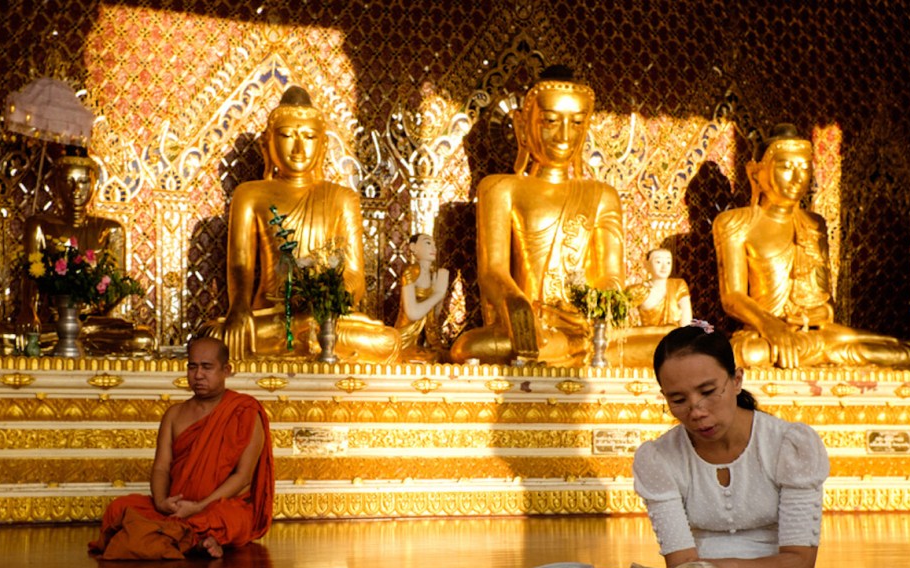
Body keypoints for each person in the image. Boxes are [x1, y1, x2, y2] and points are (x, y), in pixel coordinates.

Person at [582, 324, 887, 568]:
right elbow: (681, 563)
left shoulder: (789, 444)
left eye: (709, 392)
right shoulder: (658, 457)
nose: (696, 411)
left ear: (737, 380)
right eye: (678, 400)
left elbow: (797, 564)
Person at [206, 85, 399, 363]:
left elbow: (355, 274)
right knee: (216, 336)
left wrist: (326, 298)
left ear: (322, 145)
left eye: (309, 137)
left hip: (326, 320)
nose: (298, 148)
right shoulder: (249, 194)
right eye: (286, 136)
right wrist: (238, 308)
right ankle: (309, 341)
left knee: (386, 341)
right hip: (272, 316)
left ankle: (313, 339)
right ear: (267, 144)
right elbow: (240, 265)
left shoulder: (342, 197)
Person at [449, 65, 625, 366]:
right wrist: (518, 309)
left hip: (587, 332)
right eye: (551, 121)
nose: (564, 135)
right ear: (522, 126)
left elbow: (611, 275)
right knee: (466, 347)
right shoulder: (500, 188)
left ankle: (571, 349)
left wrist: (597, 305)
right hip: (529, 328)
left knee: (666, 343)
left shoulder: (602, 195)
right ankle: (552, 348)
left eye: (577, 123)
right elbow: (493, 272)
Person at [713, 124, 910, 369]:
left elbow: (825, 304)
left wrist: (806, 318)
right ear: (755, 173)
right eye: (786, 167)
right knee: (745, 355)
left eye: (804, 168)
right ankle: (824, 358)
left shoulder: (814, 224)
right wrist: (773, 326)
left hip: (814, 334)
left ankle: (820, 357)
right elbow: (732, 297)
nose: (798, 178)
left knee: (908, 353)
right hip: (764, 335)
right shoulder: (735, 223)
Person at [88, 336, 274, 559]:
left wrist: (199, 506)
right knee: (119, 508)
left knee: (232, 518)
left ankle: (184, 535)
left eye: (207, 367)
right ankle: (195, 538)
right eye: (192, 367)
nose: (198, 375)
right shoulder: (174, 414)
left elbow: (243, 477)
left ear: (226, 370)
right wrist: (161, 502)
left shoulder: (244, 411)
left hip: (219, 505)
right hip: (175, 507)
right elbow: (161, 468)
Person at [15, 152, 153, 355]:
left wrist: (88, 305)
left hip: (93, 323)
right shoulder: (40, 225)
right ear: (56, 185)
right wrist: (29, 312)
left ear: (95, 185)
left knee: (143, 339)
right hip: (54, 321)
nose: (76, 190)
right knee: (6, 337)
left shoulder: (110, 229)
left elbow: (117, 285)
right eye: (68, 181)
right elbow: (31, 278)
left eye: (83, 182)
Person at [618, 248, 694, 367]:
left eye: (668, 262)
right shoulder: (639, 290)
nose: (664, 267)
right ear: (647, 265)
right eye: (658, 262)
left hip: (673, 340)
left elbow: (686, 324)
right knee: (620, 347)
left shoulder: (678, 285)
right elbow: (618, 316)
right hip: (649, 340)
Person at [394, 233, 450, 362]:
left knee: (447, 356)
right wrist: (438, 294)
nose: (434, 248)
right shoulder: (411, 271)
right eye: (428, 243)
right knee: (428, 359)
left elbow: (434, 316)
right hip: (405, 341)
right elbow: (413, 313)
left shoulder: (433, 274)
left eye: (435, 245)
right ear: (413, 247)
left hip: (427, 340)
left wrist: (440, 295)